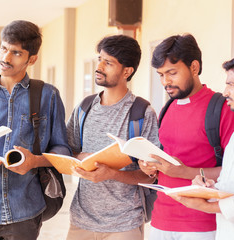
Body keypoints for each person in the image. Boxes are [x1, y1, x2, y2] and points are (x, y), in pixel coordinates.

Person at [0, 20, 71, 240]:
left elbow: (63, 150)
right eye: (3, 48)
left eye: (16, 53)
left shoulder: (48, 95)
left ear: (32, 59)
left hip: (25, 211)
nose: (5, 58)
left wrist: (34, 161)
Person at [139, 34, 234, 240]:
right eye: (160, 75)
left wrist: (184, 172)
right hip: (160, 219)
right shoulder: (167, 108)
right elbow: (168, 161)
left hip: (202, 225)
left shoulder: (223, 109)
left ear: (194, 67)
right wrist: (150, 167)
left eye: (172, 73)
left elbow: (232, 173)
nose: (165, 81)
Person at [65, 35, 160, 240]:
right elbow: (67, 150)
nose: (99, 66)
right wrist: (83, 157)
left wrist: (111, 173)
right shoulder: (84, 108)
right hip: (81, 220)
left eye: (108, 62)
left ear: (127, 71)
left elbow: (150, 175)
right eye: (99, 59)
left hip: (125, 224)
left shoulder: (142, 113)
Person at [169, 56, 234, 240]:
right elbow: (232, 185)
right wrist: (209, 188)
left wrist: (204, 206)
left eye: (231, 85)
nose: (225, 92)